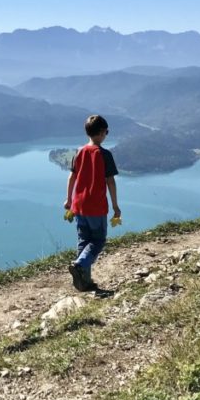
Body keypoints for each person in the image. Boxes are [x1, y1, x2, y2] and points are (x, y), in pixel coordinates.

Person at [64, 114, 121, 297]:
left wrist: (68, 199)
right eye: (107, 132)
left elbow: (72, 177)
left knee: (83, 240)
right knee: (98, 240)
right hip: (96, 206)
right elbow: (110, 182)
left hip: (79, 205)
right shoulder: (105, 155)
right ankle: (80, 265)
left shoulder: (79, 152)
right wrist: (115, 206)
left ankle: (84, 282)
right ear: (103, 133)